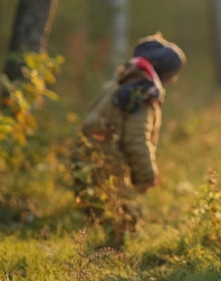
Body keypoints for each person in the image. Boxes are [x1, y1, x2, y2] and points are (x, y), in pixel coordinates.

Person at [78, 34, 186, 240]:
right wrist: (147, 175)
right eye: (173, 74)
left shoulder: (120, 83)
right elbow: (136, 140)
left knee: (95, 215)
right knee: (126, 223)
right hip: (110, 164)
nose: (174, 79)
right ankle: (117, 250)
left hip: (90, 160)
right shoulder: (141, 94)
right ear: (164, 73)